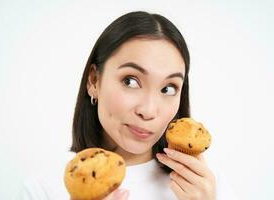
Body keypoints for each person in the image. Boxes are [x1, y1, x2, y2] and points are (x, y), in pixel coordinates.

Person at [17, 11, 238, 200]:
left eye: (168, 88)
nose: (149, 110)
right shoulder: (44, 189)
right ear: (94, 81)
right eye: (130, 81)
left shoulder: (209, 186)